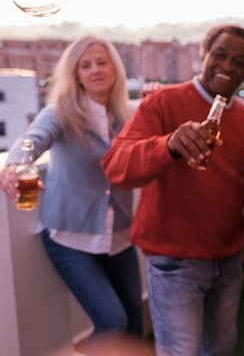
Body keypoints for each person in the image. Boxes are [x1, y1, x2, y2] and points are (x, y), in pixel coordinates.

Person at [101, 25, 244, 356]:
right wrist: (169, 145)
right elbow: (115, 166)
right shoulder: (162, 102)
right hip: (175, 263)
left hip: (228, 261)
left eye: (239, 61)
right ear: (203, 55)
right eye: (220, 55)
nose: (227, 66)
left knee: (220, 349)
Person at [0, 36, 143, 345]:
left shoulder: (126, 114)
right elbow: (31, 139)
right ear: (75, 74)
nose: (95, 70)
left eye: (102, 62)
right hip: (70, 238)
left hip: (118, 236)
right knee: (112, 321)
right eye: (85, 65)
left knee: (134, 321)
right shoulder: (61, 111)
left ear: (115, 68)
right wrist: (14, 166)